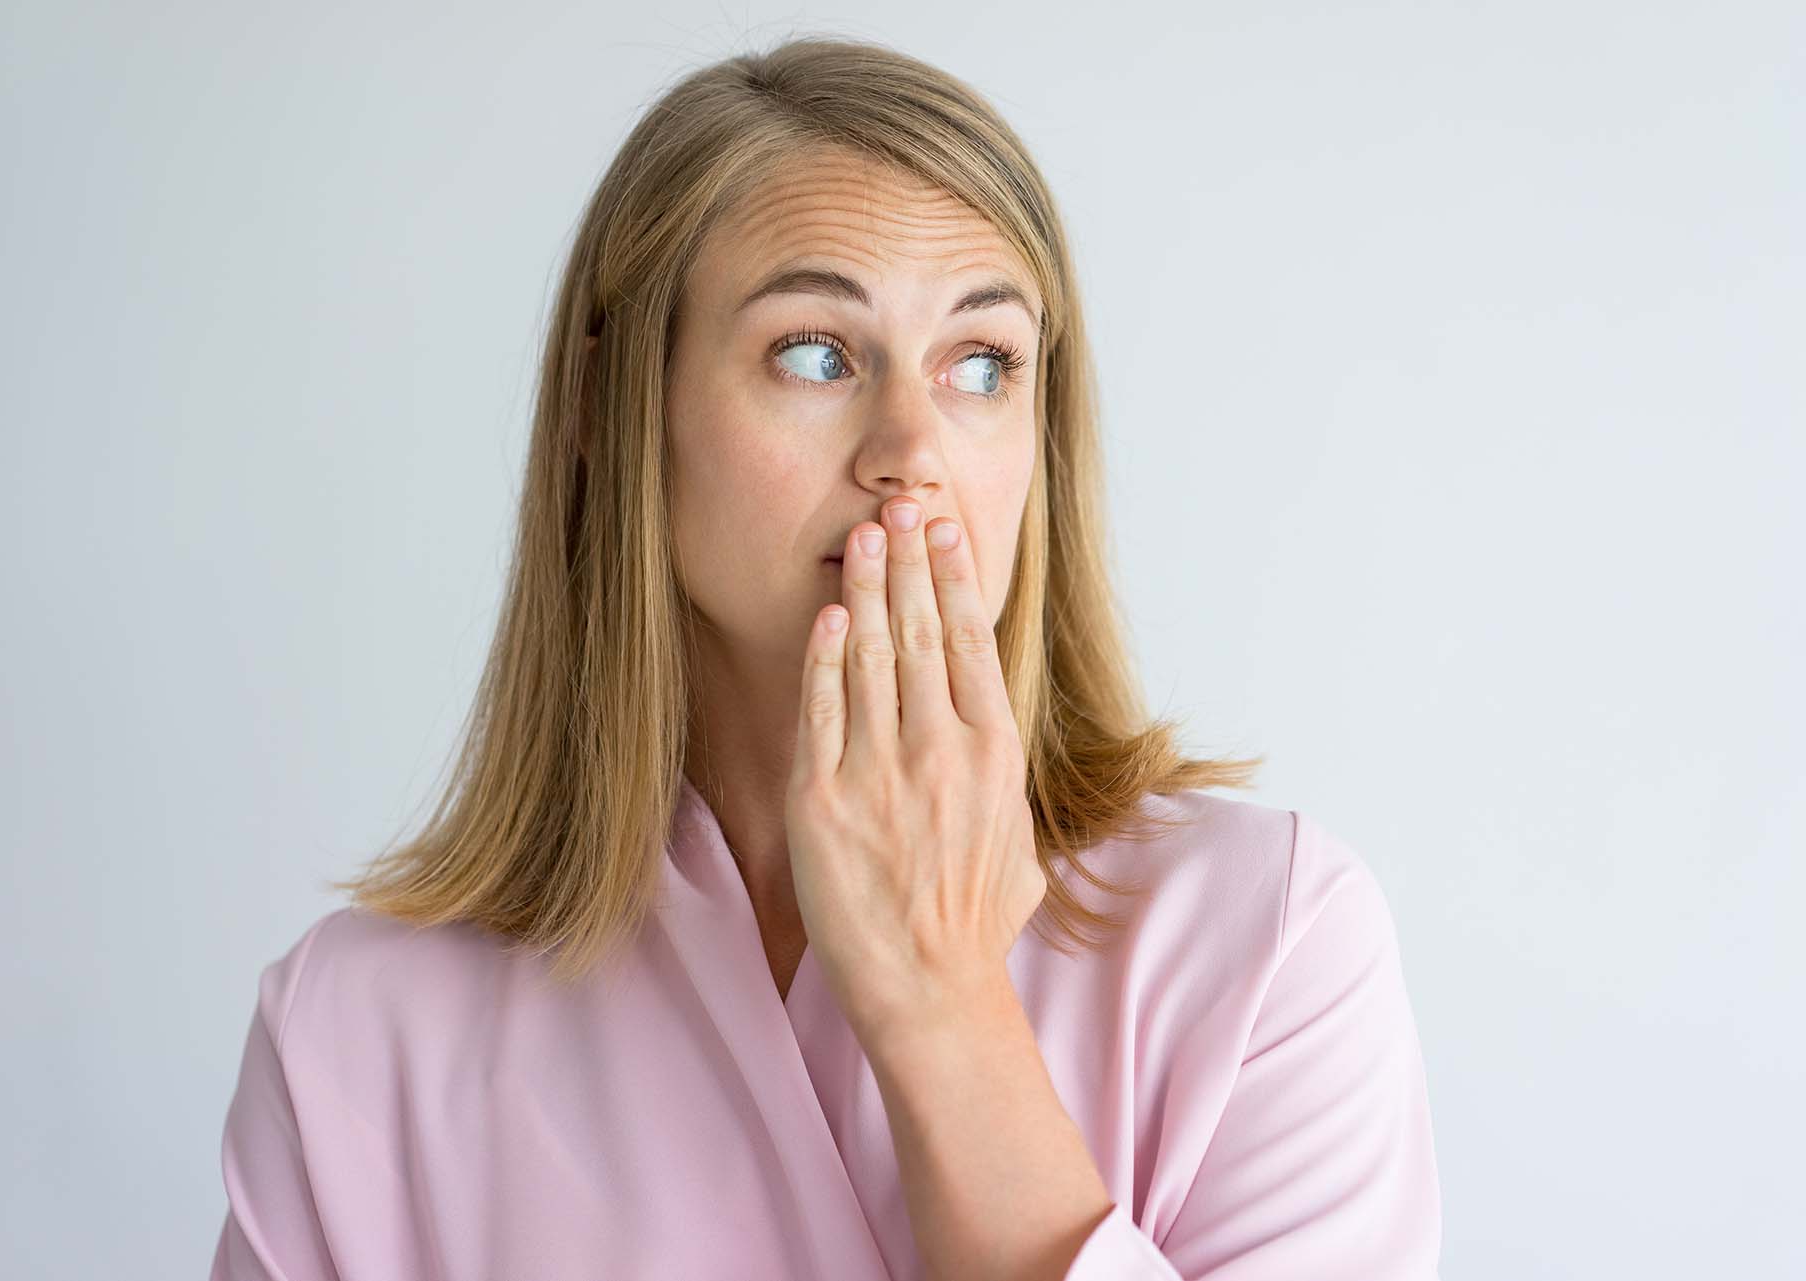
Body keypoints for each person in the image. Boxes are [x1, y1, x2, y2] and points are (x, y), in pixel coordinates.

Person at [208, 33, 1442, 1281]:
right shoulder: (353, 1037)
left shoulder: (1268, 947)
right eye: (816, 354)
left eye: (980, 364)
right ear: (608, 412)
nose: (911, 449)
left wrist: (944, 1002)